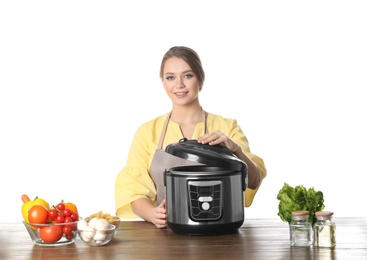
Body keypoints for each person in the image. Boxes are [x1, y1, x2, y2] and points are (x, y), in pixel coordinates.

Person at [114, 46, 267, 228]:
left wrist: (236, 150)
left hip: (220, 230)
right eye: (170, 77)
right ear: (163, 82)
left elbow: (253, 180)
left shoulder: (227, 127)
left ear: (200, 79)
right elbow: (132, 188)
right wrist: (153, 214)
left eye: (187, 75)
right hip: (165, 234)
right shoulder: (148, 132)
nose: (179, 84)